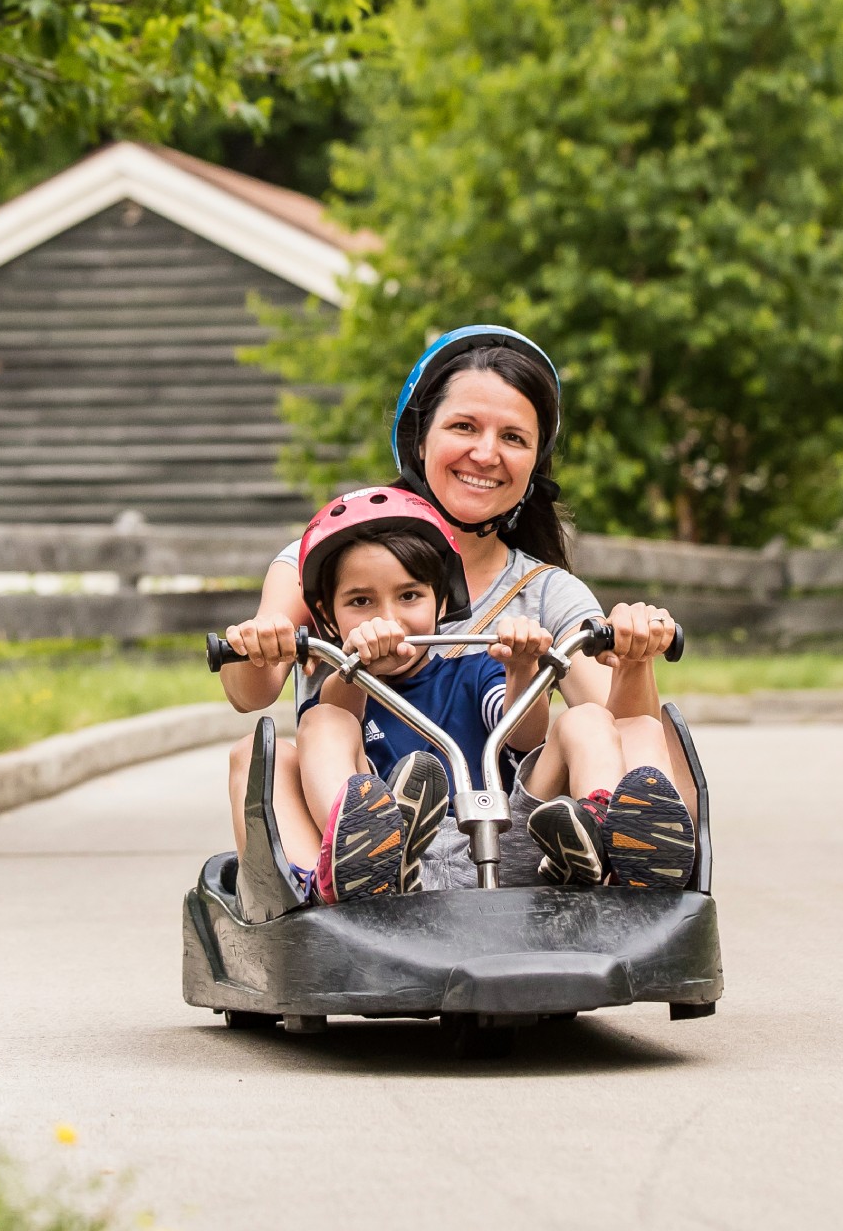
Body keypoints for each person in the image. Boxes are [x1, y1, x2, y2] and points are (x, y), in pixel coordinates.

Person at [219, 325, 697, 888]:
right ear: (420, 438)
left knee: (644, 733)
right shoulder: (328, 556)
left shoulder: (546, 591)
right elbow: (249, 695)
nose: (486, 453)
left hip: (513, 832)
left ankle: (633, 880)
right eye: (464, 427)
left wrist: (635, 655)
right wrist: (264, 638)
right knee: (256, 754)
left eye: (514, 438)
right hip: (374, 812)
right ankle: (327, 882)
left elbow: (610, 720)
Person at [291, 485, 553, 902]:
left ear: (442, 599)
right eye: (361, 601)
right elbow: (335, 713)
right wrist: (355, 662)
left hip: (494, 850)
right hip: (394, 870)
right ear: (327, 615)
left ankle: (603, 850)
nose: (388, 620)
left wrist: (522, 667)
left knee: (582, 722)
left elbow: (524, 737)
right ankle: (354, 857)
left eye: (409, 596)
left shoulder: (474, 670)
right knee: (318, 724)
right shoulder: (342, 696)